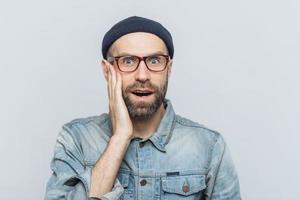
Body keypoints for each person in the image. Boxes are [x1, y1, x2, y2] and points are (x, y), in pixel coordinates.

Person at [44, 16, 241, 200]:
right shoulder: (76, 140)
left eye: (154, 61)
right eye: (128, 61)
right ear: (107, 70)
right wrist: (120, 138)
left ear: (168, 69)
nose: (143, 75)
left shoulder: (209, 145)